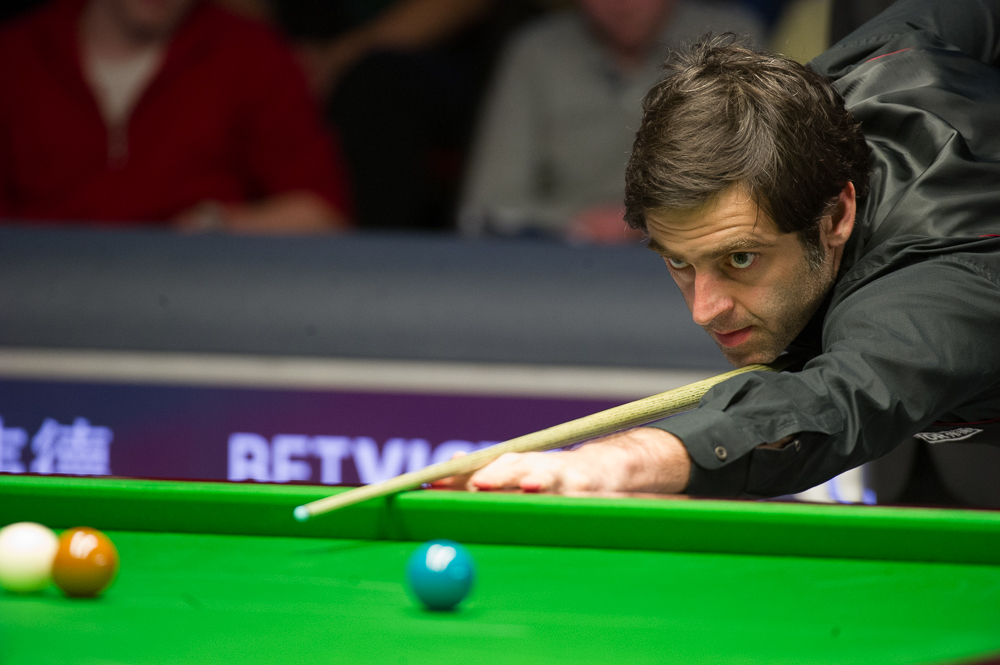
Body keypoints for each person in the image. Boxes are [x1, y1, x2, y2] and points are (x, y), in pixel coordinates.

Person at [439, 0, 1000, 500]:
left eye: (740, 259)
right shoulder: (834, 86)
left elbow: (838, 397)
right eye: (679, 262)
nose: (705, 310)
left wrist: (622, 463)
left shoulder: (941, 284)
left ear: (835, 216)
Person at [0, 0, 351, 233]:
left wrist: (220, 225)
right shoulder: (16, 57)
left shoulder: (251, 55)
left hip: (193, 289)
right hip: (38, 293)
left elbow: (322, 214)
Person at [458, 0, 764, 243]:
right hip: (568, 261)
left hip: (704, 251)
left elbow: (766, 184)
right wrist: (576, 224)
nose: (622, 4)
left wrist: (656, 220)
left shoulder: (728, 38)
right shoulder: (535, 52)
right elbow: (487, 206)